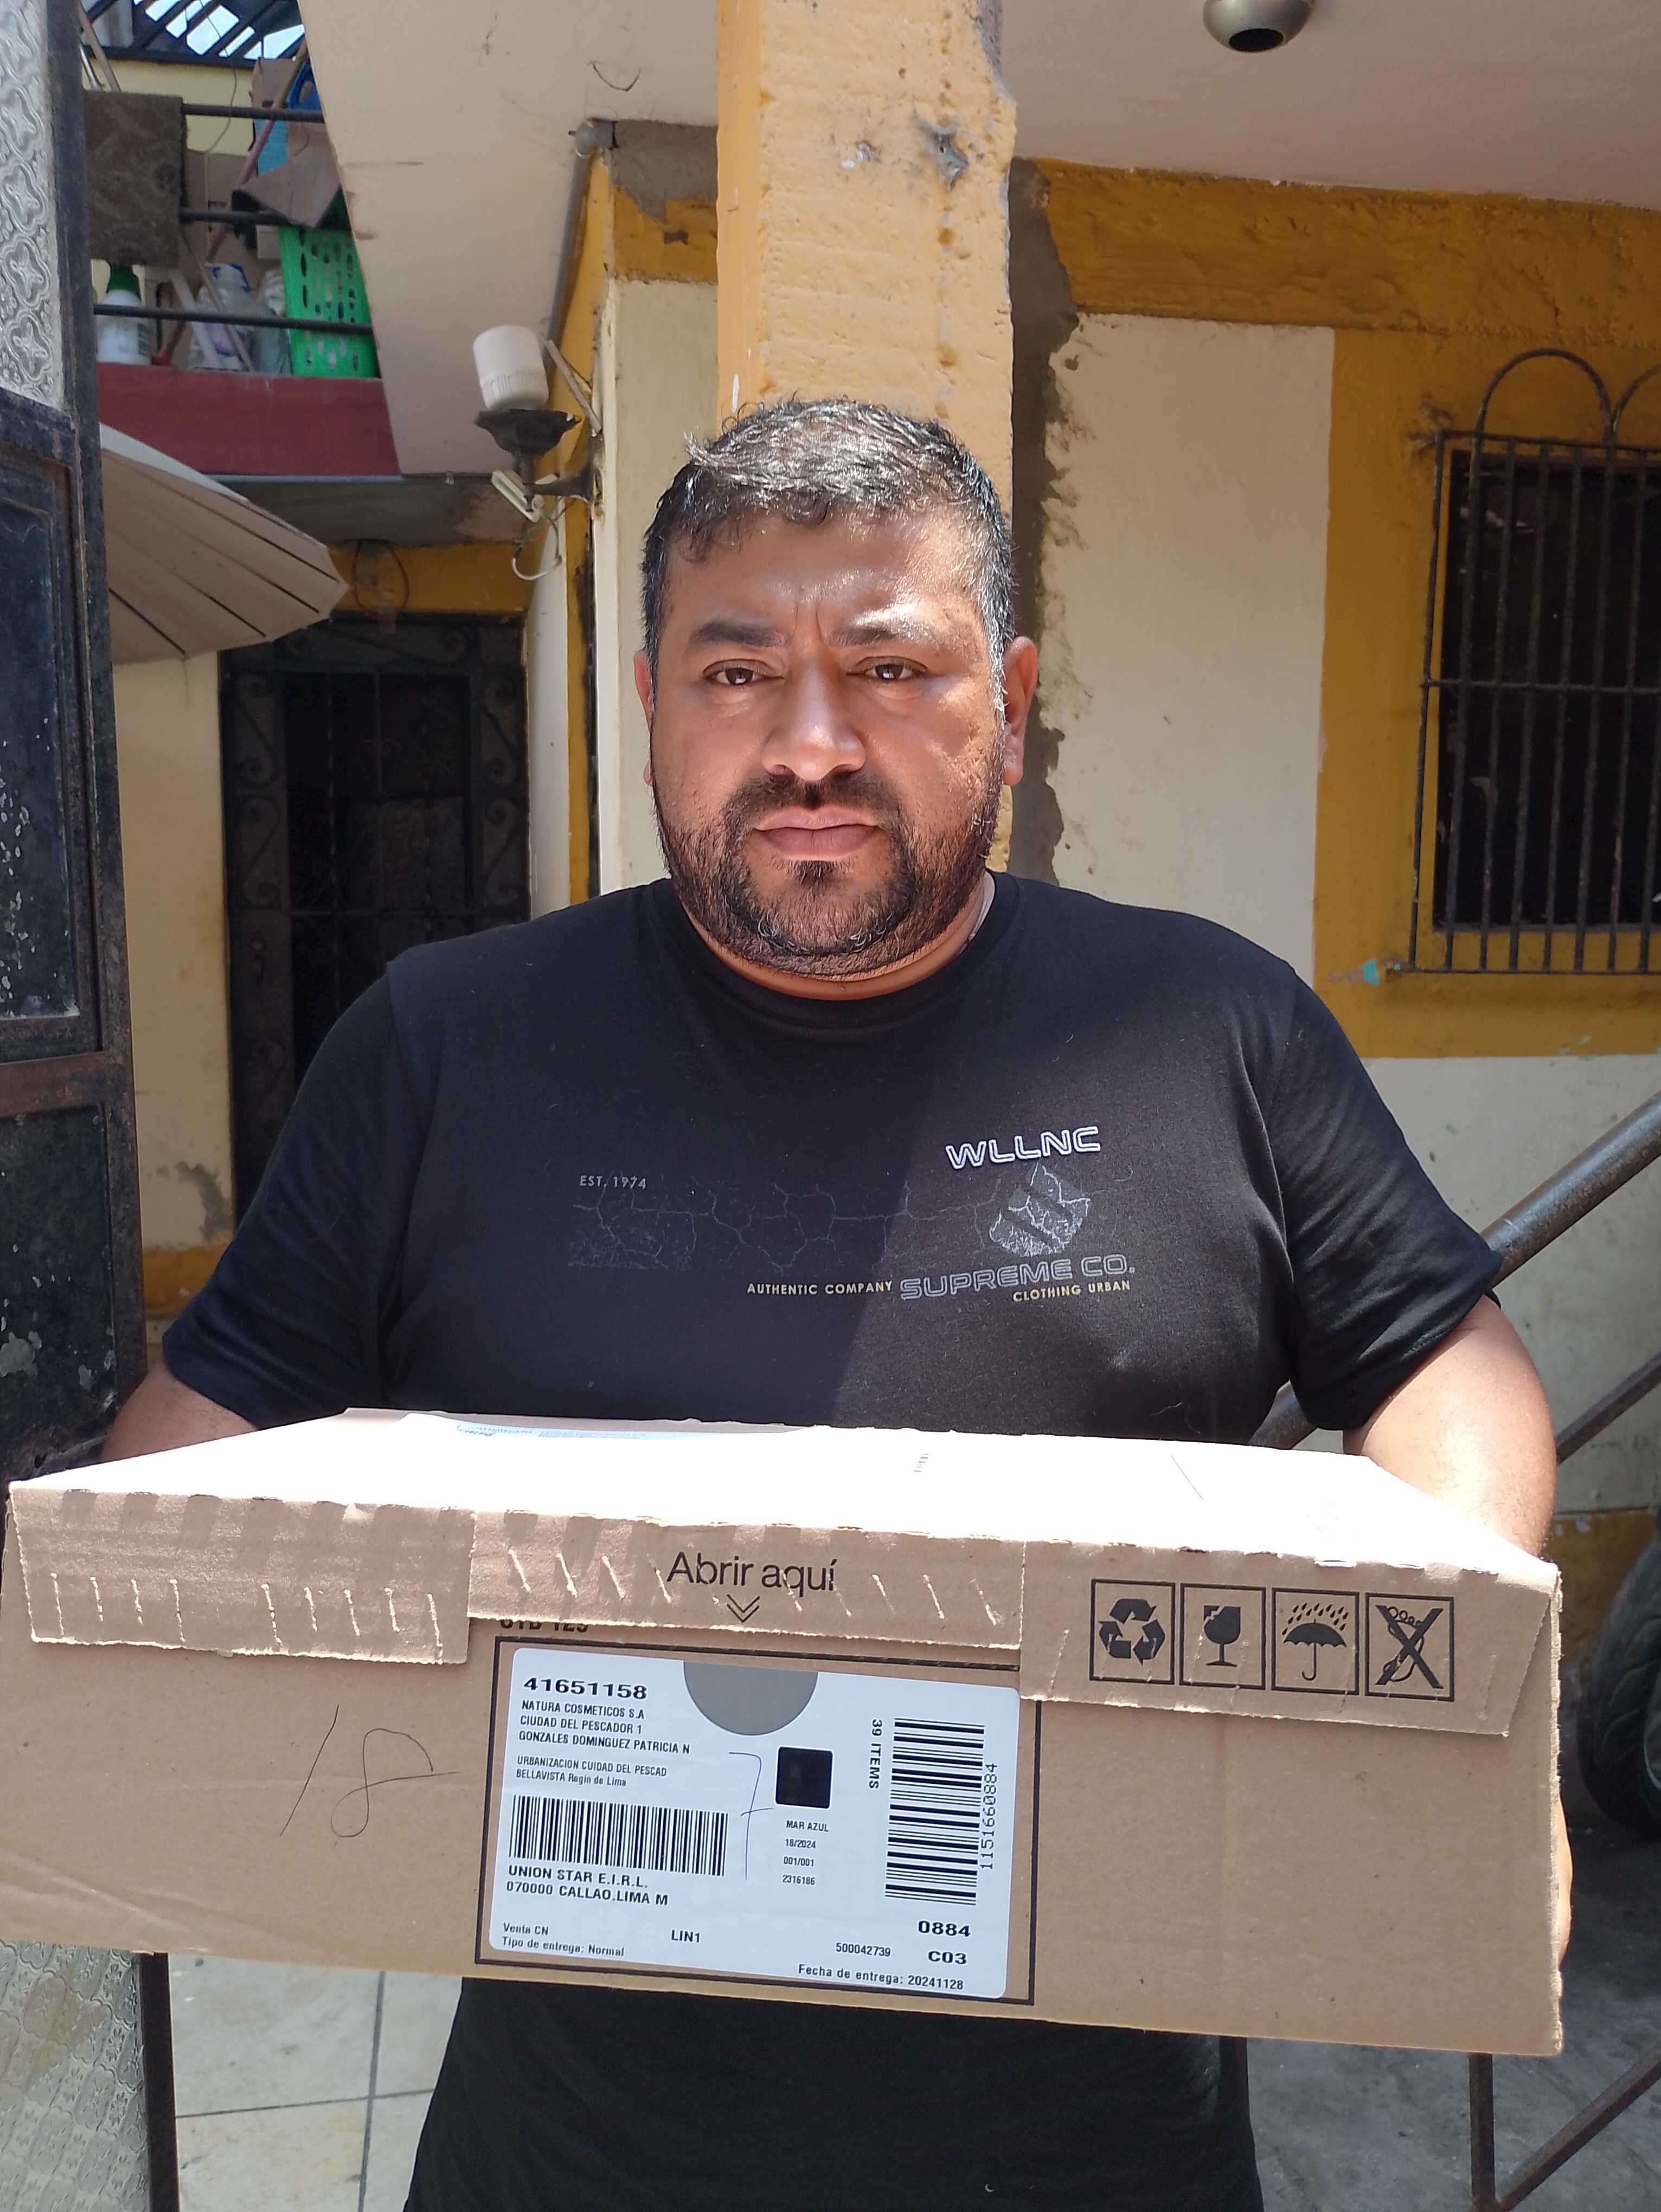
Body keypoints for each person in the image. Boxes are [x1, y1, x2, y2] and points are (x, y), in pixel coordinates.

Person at [107, 398, 1565, 2212]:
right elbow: (197, 1452)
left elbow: (1443, 1362)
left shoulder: (1212, 1032)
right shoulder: (445, 1050)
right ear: (651, 699)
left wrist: (1462, 1694)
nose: (811, 745)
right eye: (737, 674)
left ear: (1008, 700)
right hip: (578, 2157)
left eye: (889, 668)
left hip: (1102, 2158)